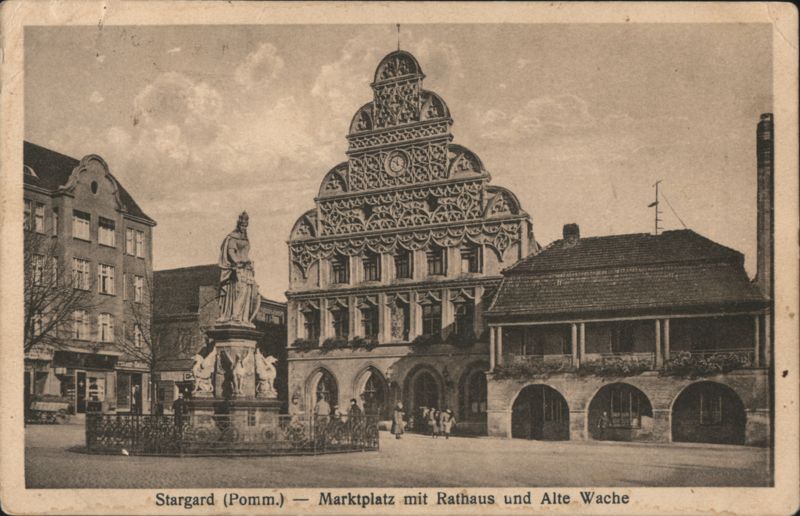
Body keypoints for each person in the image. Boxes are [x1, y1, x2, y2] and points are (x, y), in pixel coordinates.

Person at [217, 211, 260, 325]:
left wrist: (248, 262)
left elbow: (245, 252)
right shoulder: (232, 237)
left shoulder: (245, 238)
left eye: (246, 225)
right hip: (238, 269)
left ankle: (243, 318)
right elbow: (231, 252)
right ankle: (235, 316)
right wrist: (238, 262)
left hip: (247, 269)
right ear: (238, 224)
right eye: (242, 225)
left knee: (248, 293)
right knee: (240, 291)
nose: (244, 227)